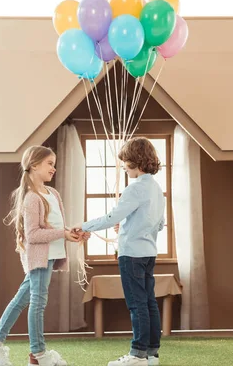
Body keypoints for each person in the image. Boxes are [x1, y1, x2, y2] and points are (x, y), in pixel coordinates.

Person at [0, 145, 87, 366]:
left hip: (50, 254)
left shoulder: (53, 193)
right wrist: (63, 234)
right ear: (34, 165)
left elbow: (56, 226)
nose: (53, 168)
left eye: (54, 164)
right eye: (49, 163)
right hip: (39, 256)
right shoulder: (31, 197)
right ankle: (38, 354)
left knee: (22, 299)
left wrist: (73, 233)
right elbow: (33, 234)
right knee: (38, 302)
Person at [74, 137, 165, 366]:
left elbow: (111, 217)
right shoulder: (156, 188)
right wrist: (126, 225)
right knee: (149, 302)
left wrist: (83, 226)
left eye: (125, 162)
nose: (124, 167)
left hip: (131, 254)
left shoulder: (134, 189)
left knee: (137, 304)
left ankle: (137, 355)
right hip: (149, 252)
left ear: (136, 161)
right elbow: (159, 223)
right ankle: (152, 355)